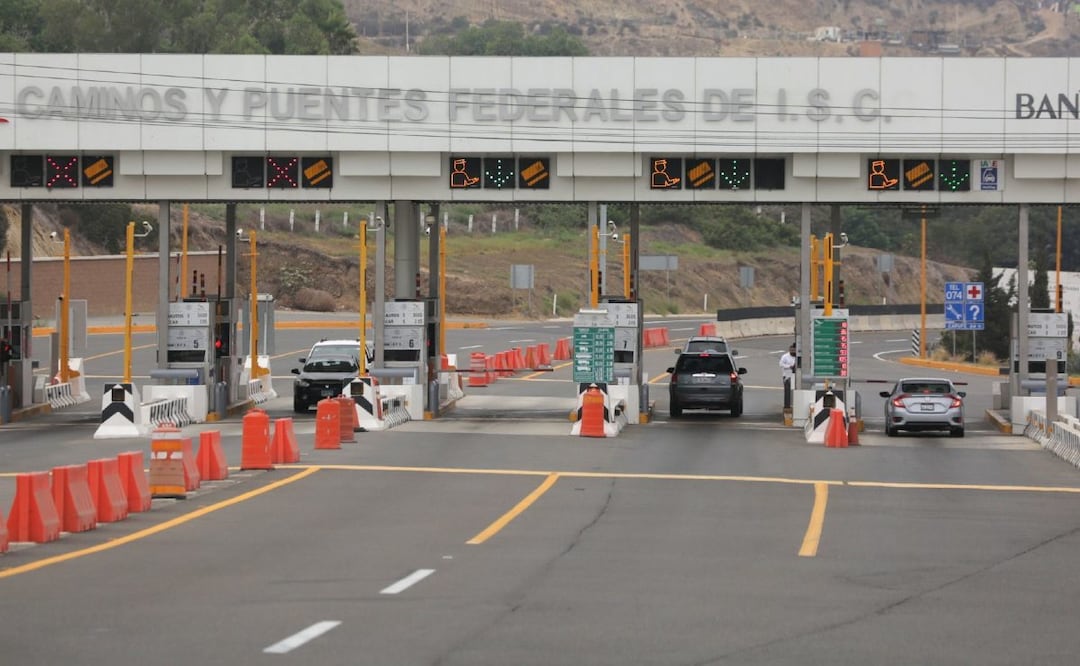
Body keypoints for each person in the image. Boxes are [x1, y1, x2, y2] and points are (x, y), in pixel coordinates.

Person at [779, 343, 797, 410]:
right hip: (787, 376)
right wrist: (789, 366)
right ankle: (787, 406)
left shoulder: (797, 356)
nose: (792, 352)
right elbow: (781, 364)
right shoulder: (785, 356)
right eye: (791, 350)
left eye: (794, 350)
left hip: (796, 376)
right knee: (787, 391)